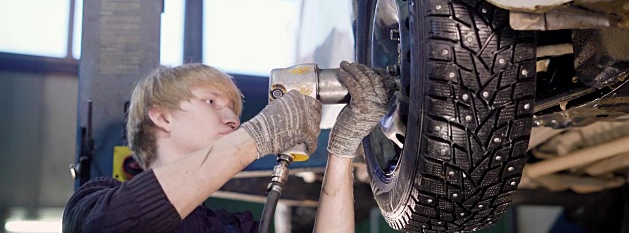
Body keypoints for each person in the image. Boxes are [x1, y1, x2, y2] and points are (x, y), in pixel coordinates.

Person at [62, 60, 395, 233]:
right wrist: (257, 134)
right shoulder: (90, 206)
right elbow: (112, 226)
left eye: (235, 112)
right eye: (211, 102)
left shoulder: (230, 227)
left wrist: (342, 149)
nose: (233, 121)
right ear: (161, 117)